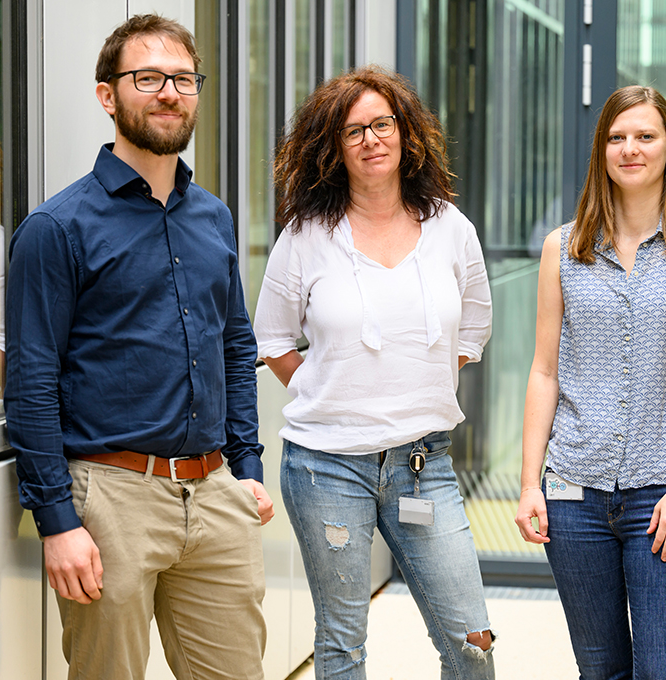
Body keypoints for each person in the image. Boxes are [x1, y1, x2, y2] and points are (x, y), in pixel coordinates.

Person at [4, 14, 274, 680]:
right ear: (108, 95)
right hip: (110, 500)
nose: (170, 93)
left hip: (215, 493)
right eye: (148, 78)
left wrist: (247, 467)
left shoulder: (213, 216)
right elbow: (31, 381)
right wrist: (57, 520)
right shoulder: (56, 227)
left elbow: (234, 346)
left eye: (183, 78)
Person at [253, 66, 494, 679]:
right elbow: (273, 339)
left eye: (382, 124)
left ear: (406, 132)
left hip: (423, 463)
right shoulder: (305, 236)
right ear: (332, 147)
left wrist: (414, 382)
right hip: (326, 465)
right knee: (343, 644)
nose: (370, 140)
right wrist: (326, 389)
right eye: (352, 130)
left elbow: (472, 330)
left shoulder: (450, 228)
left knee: (472, 640)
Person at [515, 85, 666, 680]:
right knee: (601, 670)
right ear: (601, 150)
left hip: (664, 493)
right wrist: (531, 483)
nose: (630, 149)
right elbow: (544, 370)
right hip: (574, 493)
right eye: (616, 137)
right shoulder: (563, 248)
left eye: (645, 136)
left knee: (663, 671)